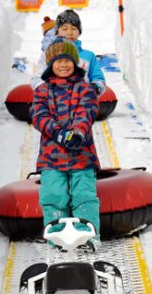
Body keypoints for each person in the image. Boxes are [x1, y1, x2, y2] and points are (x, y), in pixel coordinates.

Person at [30, 38, 101, 251]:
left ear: (75, 63)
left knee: (84, 196)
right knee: (53, 195)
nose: (63, 65)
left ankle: (88, 236)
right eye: (58, 61)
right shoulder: (42, 91)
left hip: (82, 155)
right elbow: (39, 115)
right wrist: (59, 133)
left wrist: (77, 132)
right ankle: (55, 237)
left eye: (68, 60)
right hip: (52, 157)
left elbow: (87, 110)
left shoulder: (84, 88)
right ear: (50, 64)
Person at [31, 10, 106, 97]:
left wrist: (92, 89)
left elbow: (99, 80)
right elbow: (37, 79)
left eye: (74, 28)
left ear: (79, 32)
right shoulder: (48, 54)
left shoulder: (89, 56)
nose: (69, 32)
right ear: (57, 32)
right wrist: (48, 92)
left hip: (82, 102)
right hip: (54, 102)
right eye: (65, 28)